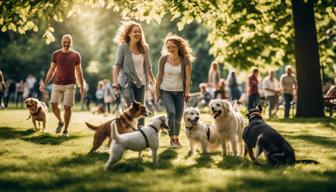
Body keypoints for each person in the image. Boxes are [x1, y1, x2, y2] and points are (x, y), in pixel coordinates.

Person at [112, 21, 155, 128]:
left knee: (142, 108)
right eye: (134, 32)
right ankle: (130, 130)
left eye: (139, 32)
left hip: (142, 82)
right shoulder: (124, 47)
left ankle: (140, 132)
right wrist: (115, 82)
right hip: (127, 83)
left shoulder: (145, 48)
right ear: (129, 34)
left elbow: (149, 67)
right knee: (133, 107)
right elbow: (117, 65)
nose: (137, 34)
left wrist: (154, 83)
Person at [39, 34, 84, 136]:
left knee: (67, 107)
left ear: (71, 42)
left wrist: (81, 86)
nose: (66, 43)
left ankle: (65, 130)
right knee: (53, 105)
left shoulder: (76, 55)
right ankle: (61, 121)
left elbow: (79, 72)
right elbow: (51, 70)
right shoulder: (56, 54)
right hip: (57, 84)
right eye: (65, 41)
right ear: (61, 42)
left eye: (68, 42)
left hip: (70, 84)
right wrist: (44, 83)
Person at [156, 34, 193, 148]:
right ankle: (172, 139)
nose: (170, 49)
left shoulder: (185, 59)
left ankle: (176, 138)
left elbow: (187, 78)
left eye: (173, 47)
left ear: (178, 47)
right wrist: (157, 92)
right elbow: (159, 76)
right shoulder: (163, 59)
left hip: (180, 92)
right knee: (171, 113)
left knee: (178, 117)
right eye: (168, 47)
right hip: (165, 91)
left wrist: (187, 92)